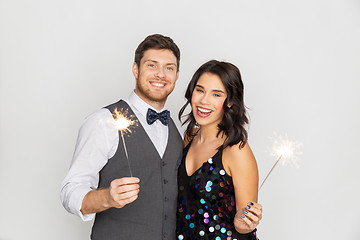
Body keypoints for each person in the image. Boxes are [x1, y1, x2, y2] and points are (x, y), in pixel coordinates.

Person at [60, 34, 184, 239]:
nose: (160, 74)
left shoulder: (179, 129)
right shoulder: (103, 121)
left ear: (177, 75)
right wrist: (107, 197)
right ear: (135, 69)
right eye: (151, 65)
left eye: (169, 68)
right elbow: (70, 191)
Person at [176, 60, 262, 239]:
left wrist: (243, 223)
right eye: (200, 90)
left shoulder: (236, 150)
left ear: (230, 102)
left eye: (216, 94)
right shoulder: (189, 137)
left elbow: (245, 223)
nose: (204, 101)